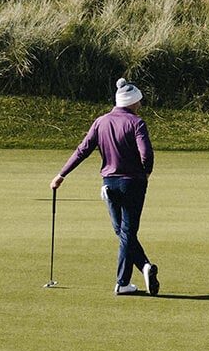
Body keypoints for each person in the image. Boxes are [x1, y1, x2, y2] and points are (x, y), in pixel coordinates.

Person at [53, 78, 160, 295]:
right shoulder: (137, 123)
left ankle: (142, 269)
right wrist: (146, 171)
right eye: (138, 102)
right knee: (127, 232)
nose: (139, 105)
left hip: (109, 183)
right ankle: (124, 281)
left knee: (122, 231)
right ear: (131, 102)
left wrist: (61, 174)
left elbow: (82, 150)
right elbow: (146, 154)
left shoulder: (100, 122)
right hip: (133, 183)